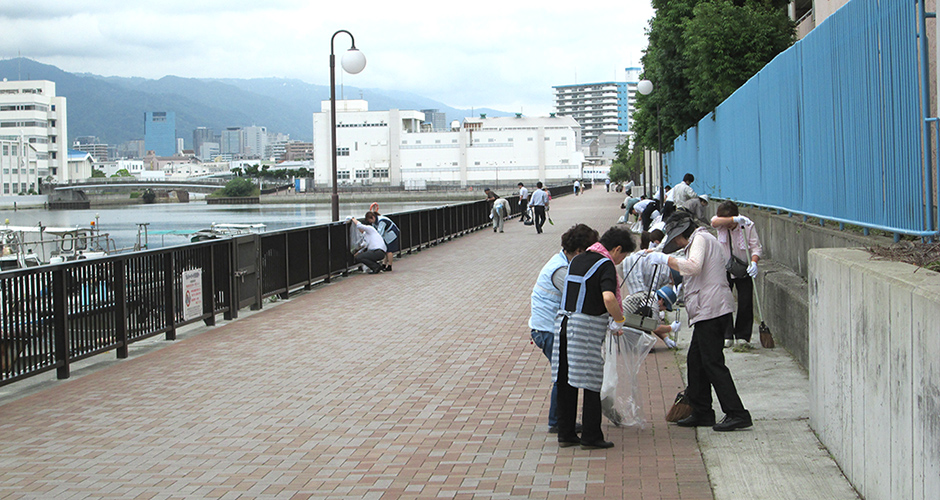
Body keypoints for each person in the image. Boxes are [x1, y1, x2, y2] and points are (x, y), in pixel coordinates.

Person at [645, 211, 752, 431]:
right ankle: (702, 410)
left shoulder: (701, 239)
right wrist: (657, 254)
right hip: (707, 309)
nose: (675, 242)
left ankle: (737, 413)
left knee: (712, 363)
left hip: (712, 309)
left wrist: (665, 259)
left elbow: (693, 266)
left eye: (676, 237)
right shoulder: (697, 241)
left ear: (683, 232)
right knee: (696, 361)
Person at [552, 226, 636, 449]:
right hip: (585, 327)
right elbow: (609, 298)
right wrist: (619, 320)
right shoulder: (605, 263)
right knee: (591, 382)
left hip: (562, 324)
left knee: (565, 380)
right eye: (623, 255)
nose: (620, 261)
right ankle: (591, 436)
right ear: (616, 249)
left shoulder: (578, 260)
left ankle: (566, 433)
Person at [529, 224, 600, 433]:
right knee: (563, 374)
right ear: (579, 251)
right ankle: (558, 421)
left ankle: (559, 420)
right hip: (547, 329)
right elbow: (578, 296)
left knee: (564, 373)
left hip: (549, 327)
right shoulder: (560, 270)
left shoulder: (564, 262)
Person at [710, 201, 762, 347]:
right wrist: (733, 220)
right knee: (724, 301)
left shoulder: (747, 225)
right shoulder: (720, 224)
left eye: (730, 222)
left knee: (745, 301)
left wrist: (754, 262)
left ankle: (743, 335)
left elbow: (756, 247)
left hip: (743, 267)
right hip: (724, 267)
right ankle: (727, 334)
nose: (727, 226)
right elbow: (714, 221)